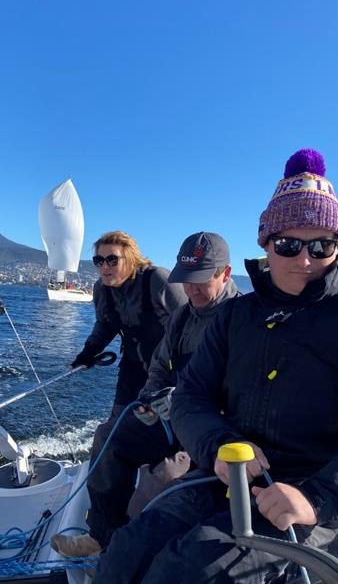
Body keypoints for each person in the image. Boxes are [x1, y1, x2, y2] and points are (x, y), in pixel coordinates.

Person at [91, 149, 338, 584]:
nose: (304, 258)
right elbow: (190, 396)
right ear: (265, 244)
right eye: (289, 243)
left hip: (315, 510)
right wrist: (219, 444)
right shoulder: (237, 318)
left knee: (186, 577)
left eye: (322, 245)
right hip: (226, 479)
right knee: (124, 551)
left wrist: (318, 498)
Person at [51, 232, 239, 558]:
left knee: (166, 475)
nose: (190, 290)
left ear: (224, 273)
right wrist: (150, 399)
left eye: (112, 259)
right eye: (99, 260)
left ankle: (130, 549)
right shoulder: (184, 315)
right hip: (164, 398)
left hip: (212, 428)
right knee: (110, 437)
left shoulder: (240, 319)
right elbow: (159, 364)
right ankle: (101, 535)